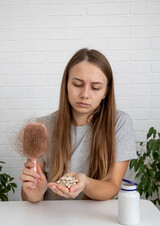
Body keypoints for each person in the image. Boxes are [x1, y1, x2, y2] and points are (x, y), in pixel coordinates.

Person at [20, 48, 137, 202]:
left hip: (95, 218)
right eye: (77, 84)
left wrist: (85, 182)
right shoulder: (44, 127)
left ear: (106, 92)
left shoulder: (119, 122)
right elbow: (28, 197)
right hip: (50, 217)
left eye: (95, 87)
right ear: (66, 84)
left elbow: (112, 187)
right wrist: (34, 193)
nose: (85, 94)